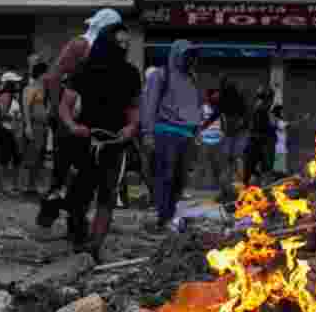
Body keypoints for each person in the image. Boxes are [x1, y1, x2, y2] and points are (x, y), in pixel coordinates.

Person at [60, 22, 141, 260]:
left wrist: (131, 127)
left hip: (115, 144)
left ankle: (95, 247)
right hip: (85, 141)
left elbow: (134, 107)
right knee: (79, 196)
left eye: (127, 43)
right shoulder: (84, 69)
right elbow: (64, 105)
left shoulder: (130, 73)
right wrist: (74, 127)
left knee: (107, 196)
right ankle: (78, 238)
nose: (124, 47)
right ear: (107, 42)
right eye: (120, 42)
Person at [36, 8, 123, 229]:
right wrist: (58, 109)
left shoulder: (111, 51)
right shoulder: (80, 45)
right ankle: (51, 214)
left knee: (85, 171)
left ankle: (75, 217)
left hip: (94, 120)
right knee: (64, 168)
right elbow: (53, 76)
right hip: (72, 117)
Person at [142, 40, 202, 233]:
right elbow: (149, 105)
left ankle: (169, 215)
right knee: (165, 177)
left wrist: (196, 132)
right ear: (176, 55)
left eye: (191, 54)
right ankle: (163, 217)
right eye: (186, 54)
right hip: (165, 134)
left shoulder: (191, 78)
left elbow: (194, 106)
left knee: (180, 180)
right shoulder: (160, 75)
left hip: (186, 136)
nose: (189, 58)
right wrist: (148, 133)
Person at [0, 71, 24, 196]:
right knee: (4, 159)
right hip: (6, 131)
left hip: (10, 130)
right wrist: (15, 118)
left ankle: (8, 186)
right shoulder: (5, 96)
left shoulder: (12, 96)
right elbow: (3, 114)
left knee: (13, 158)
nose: (18, 84)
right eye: (15, 82)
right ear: (9, 83)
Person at [21, 61, 48, 197]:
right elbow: (26, 108)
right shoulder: (30, 88)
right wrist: (28, 126)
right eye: (46, 73)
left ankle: (33, 186)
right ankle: (29, 186)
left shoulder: (43, 88)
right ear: (41, 74)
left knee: (39, 157)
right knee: (32, 156)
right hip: (34, 126)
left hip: (43, 127)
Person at [243, 86, 276, 186]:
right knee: (259, 169)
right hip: (260, 143)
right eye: (270, 99)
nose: (271, 102)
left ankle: (256, 186)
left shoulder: (261, 108)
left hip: (259, 142)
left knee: (254, 169)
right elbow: (259, 127)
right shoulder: (261, 108)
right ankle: (256, 186)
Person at [199, 88, 227, 196]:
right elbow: (198, 121)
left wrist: (223, 134)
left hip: (218, 141)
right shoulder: (202, 108)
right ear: (209, 96)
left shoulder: (219, 109)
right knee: (203, 164)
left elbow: (223, 122)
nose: (217, 98)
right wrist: (199, 137)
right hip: (205, 140)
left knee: (218, 165)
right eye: (215, 96)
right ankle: (200, 187)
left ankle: (218, 186)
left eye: (218, 96)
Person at [272, 104, 288, 177]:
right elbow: (289, 126)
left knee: (280, 170)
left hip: (280, 148)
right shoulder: (278, 121)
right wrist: (302, 119)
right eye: (282, 111)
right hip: (278, 149)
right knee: (279, 172)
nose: (283, 113)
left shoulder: (277, 121)